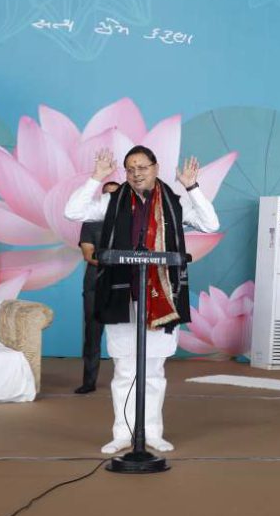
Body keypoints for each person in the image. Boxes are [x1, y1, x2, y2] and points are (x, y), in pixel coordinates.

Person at [64, 146, 218, 455]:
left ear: (156, 167)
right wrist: (96, 177)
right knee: (124, 369)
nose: (137, 174)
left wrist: (191, 187)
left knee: (154, 371)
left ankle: (152, 432)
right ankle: (122, 433)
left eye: (143, 167)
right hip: (121, 294)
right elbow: (73, 212)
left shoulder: (174, 203)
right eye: (131, 168)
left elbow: (210, 224)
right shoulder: (112, 201)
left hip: (161, 295)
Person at [74, 181, 121, 394]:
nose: (111, 199)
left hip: (121, 284)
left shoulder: (128, 223)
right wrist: (117, 261)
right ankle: (89, 381)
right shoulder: (90, 223)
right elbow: (88, 255)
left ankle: (126, 379)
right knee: (92, 333)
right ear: (101, 198)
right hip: (95, 284)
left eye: (116, 195)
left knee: (123, 333)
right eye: (107, 194)